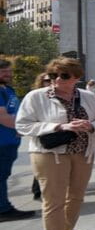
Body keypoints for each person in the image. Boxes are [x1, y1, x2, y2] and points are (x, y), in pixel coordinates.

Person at [15, 57, 95, 230]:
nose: (57, 79)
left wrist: (91, 126)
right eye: (53, 75)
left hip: (83, 152)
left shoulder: (87, 96)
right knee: (53, 200)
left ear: (76, 77)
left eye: (63, 75)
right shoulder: (36, 96)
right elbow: (22, 125)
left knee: (76, 196)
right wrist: (58, 126)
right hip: (49, 155)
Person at [0, 59, 36, 222]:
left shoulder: (7, 89)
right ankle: (3, 209)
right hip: (2, 141)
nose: (8, 74)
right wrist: (22, 127)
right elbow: (3, 117)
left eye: (9, 70)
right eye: (3, 71)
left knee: (3, 174)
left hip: (9, 141)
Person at [29, 73, 53, 201]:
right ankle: (38, 190)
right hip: (42, 134)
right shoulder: (36, 96)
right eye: (47, 81)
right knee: (42, 166)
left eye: (51, 80)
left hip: (58, 135)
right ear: (41, 82)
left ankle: (37, 189)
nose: (50, 82)